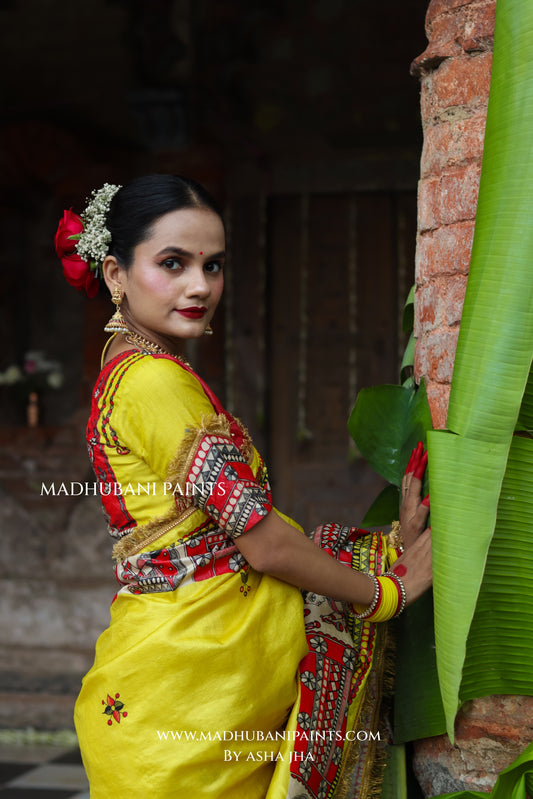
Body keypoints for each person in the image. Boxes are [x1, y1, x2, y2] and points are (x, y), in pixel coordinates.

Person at [55, 174, 432, 799]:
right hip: (190, 702)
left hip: (192, 687)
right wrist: (386, 591)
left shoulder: (125, 370)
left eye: (213, 265)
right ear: (115, 273)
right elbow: (264, 546)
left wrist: (390, 544)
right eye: (172, 263)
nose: (200, 285)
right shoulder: (152, 381)